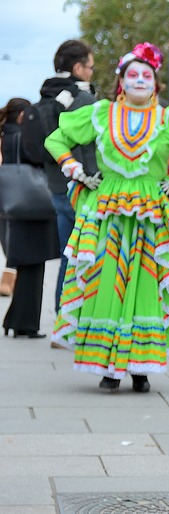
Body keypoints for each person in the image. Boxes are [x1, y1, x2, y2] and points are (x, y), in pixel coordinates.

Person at [45, 42, 169, 392]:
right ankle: (109, 367)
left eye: (147, 75)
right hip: (106, 209)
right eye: (132, 74)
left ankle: (140, 366)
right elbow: (56, 139)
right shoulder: (100, 113)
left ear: (155, 83)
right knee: (104, 280)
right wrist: (76, 170)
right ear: (121, 81)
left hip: (152, 211)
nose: (140, 80)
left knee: (146, 283)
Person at [19, 40, 98, 314]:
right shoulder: (83, 99)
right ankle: (79, 315)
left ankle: (62, 317)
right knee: (87, 254)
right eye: (90, 67)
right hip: (83, 187)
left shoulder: (48, 95)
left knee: (69, 254)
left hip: (55, 185)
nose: (91, 72)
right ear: (78, 67)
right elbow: (90, 148)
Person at [1, 98, 60, 337]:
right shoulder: (21, 137)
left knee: (28, 266)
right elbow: (41, 156)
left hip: (17, 208)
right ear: (23, 114)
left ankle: (15, 320)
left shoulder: (8, 135)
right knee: (33, 266)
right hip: (30, 207)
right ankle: (24, 324)